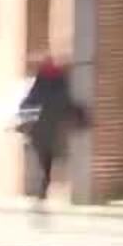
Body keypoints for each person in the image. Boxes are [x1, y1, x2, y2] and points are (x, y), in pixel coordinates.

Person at [17, 54, 87, 210]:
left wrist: (23, 124)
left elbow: (26, 105)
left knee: (43, 161)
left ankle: (42, 189)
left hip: (39, 133)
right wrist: (82, 120)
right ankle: (45, 188)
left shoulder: (38, 88)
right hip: (53, 132)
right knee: (48, 162)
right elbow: (69, 105)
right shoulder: (60, 88)